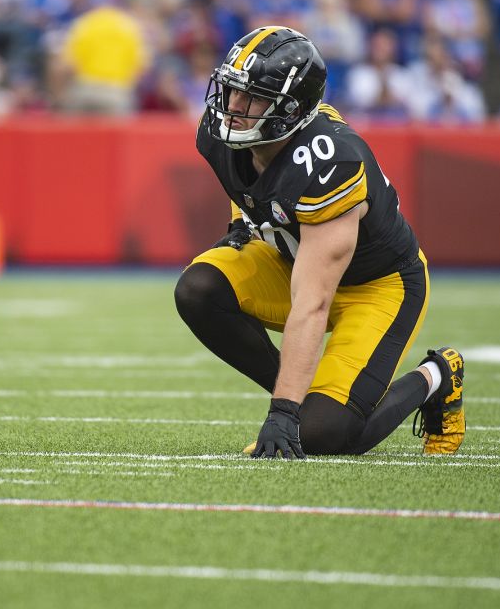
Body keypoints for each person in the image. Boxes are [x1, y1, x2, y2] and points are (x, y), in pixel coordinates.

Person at [173, 25, 466, 459]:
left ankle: (437, 375)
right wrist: (241, 219)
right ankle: (308, 402)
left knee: (325, 434)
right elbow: (246, 183)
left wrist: (283, 414)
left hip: (377, 286)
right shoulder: (224, 129)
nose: (232, 107)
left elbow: (312, 302)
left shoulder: (331, 163)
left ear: (290, 110)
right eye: (233, 89)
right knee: (199, 290)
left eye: (251, 97)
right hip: (292, 259)